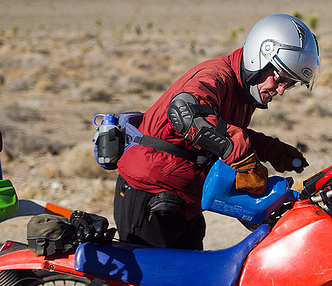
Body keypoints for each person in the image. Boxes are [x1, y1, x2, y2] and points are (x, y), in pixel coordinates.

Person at [113, 14, 320, 250]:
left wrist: (267, 148)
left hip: (184, 198)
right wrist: (239, 154)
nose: (281, 90)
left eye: (289, 84)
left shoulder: (242, 91)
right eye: (279, 78)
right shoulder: (215, 77)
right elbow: (185, 114)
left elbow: (221, 128)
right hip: (150, 193)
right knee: (150, 285)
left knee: (191, 284)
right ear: (258, 58)